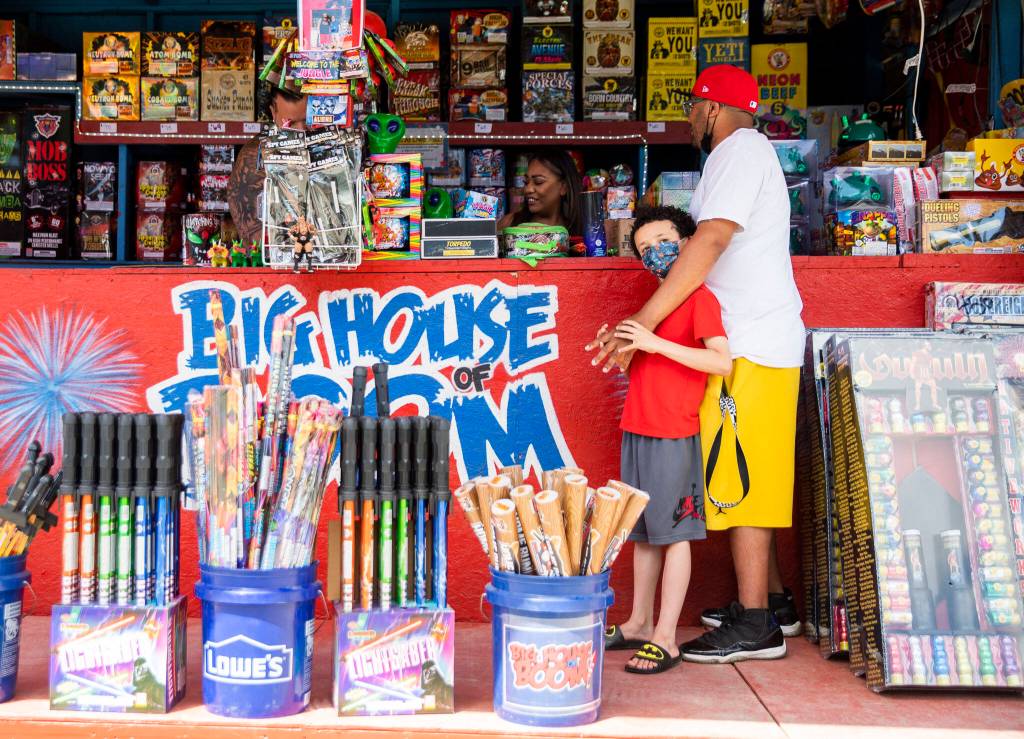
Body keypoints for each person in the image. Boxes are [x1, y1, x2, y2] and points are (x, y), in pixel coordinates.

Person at [587, 64, 805, 663]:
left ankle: (757, 625)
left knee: (746, 481)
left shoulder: (738, 151)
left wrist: (645, 326)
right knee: (741, 471)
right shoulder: (739, 156)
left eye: (691, 108)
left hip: (756, 343)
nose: (688, 119)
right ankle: (775, 603)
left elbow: (706, 243)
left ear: (712, 109)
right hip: (750, 339)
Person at [600, 205, 731, 675]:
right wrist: (624, 348)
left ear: (689, 243)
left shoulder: (700, 299)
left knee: (676, 534)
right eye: (645, 249)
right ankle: (638, 622)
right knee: (645, 533)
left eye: (664, 241)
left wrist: (654, 343)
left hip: (675, 433)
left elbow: (721, 362)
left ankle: (665, 637)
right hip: (637, 428)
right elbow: (642, 366)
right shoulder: (657, 305)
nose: (656, 252)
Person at [227, 86, 308, 247]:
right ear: (273, 112)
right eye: (290, 122)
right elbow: (253, 235)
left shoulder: (327, 144)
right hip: (277, 261)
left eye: (307, 121)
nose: (301, 131)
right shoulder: (255, 155)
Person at [497, 149, 582, 235]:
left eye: (538, 182)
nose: (527, 189)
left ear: (564, 187)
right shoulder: (508, 224)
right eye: (526, 182)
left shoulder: (578, 232)